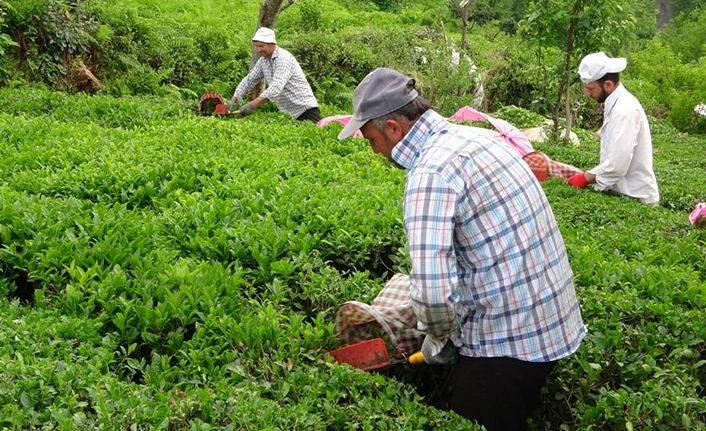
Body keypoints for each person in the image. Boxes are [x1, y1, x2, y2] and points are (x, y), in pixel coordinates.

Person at [338, 68, 586, 431]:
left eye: (370, 138)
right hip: (554, 322)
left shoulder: (430, 174)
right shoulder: (479, 138)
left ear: (393, 128)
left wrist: (437, 339)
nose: (374, 149)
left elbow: (436, 296)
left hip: (507, 345)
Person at [568, 52, 659, 204]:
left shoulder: (624, 110)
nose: (586, 93)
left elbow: (616, 165)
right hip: (621, 192)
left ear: (608, 85)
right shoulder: (615, 103)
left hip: (635, 197)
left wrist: (585, 177)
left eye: (590, 88)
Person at [228, 27, 320, 122]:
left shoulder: (283, 58)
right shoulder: (263, 61)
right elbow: (249, 80)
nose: (258, 49)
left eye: (261, 46)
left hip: (305, 109)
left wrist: (252, 105)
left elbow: (276, 88)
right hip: (288, 113)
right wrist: (234, 99)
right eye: (256, 46)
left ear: (272, 44)